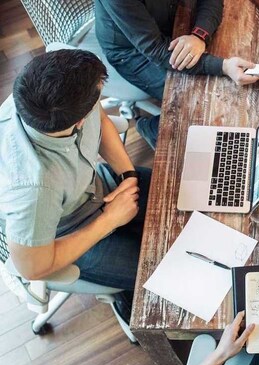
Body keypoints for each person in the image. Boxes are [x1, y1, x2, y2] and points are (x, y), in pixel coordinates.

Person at [0, 49, 151, 319]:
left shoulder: (54, 98)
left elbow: (101, 120)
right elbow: (32, 267)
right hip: (67, 234)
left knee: (180, 202)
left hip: (96, 187)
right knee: (159, 272)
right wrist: (109, 220)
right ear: (78, 119)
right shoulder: (34, 190)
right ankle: (127, 294)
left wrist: (127, 175)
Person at [94, 0, 259, 149]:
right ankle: (152, 128)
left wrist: (199, 36)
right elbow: (157, 50)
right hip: (132, 52)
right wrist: (223, 66)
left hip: (169, 25)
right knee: (200, 104)